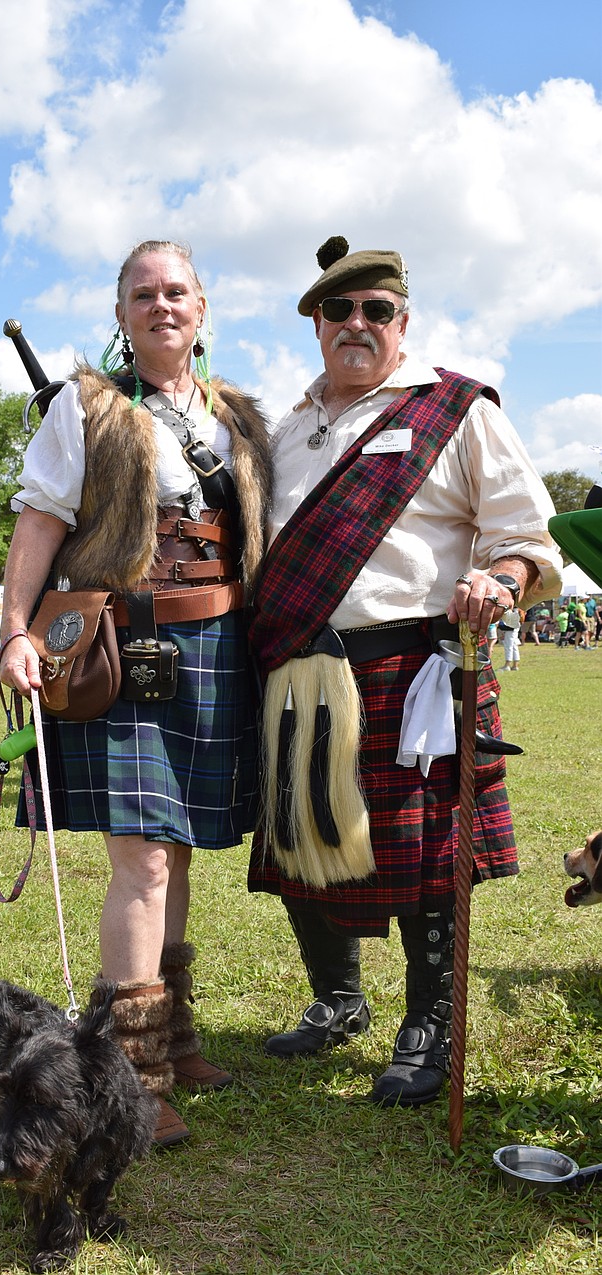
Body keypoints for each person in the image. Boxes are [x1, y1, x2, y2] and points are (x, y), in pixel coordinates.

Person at [248, 235, 562, 1109]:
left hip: (410, 670)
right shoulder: (284, 428)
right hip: (297, 671)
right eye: (337, 310)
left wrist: (500, 579)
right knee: (298, 841)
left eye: (375, 310)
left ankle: (430, 1021)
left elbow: (530, 543)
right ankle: (338, 999)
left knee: (424, 856)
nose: (356, 324)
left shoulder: (455, 411)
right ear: (316, 323)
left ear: (402, 321)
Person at [0, 238, 271, 1146]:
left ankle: (174, 1037)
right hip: (125, 643)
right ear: (120, 314)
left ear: (203, 307)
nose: (162, 305)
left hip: (219, 643)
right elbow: (40, 523)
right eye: (143, 293)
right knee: (144, 861)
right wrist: (12, 632)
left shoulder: (239, 416)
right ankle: (133, 1078)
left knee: (182, 851)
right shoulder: (88, 408)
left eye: (178, 291)